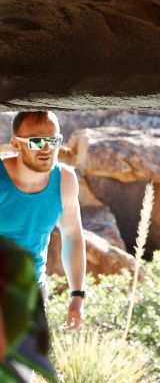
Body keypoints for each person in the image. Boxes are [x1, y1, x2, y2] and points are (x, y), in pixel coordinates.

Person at [0, 111, 86, 327]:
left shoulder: (65, 180)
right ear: (16, 144)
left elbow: (73, 235)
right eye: (37, 142)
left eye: (53, 140)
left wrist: (77, 294)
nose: (47, 148)